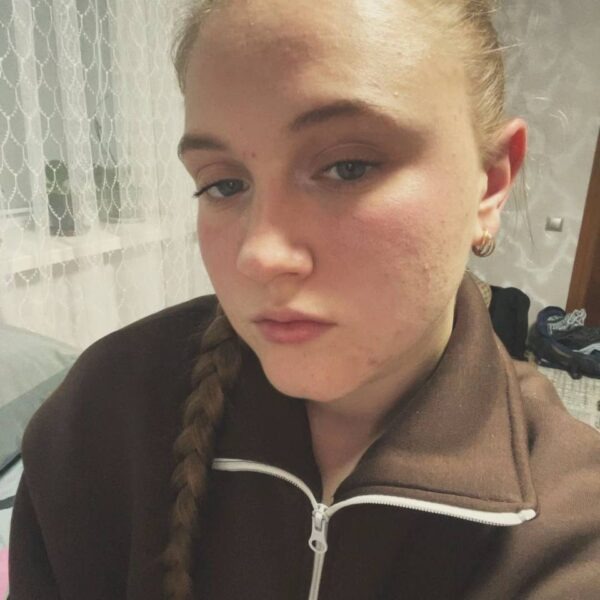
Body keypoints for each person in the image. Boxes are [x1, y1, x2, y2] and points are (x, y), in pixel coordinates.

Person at [9, 0, 600, 598]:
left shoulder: (573, 526)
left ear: (491, 181)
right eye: (224, 183)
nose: (259, 255)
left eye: (348, 167)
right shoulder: (101, 413)